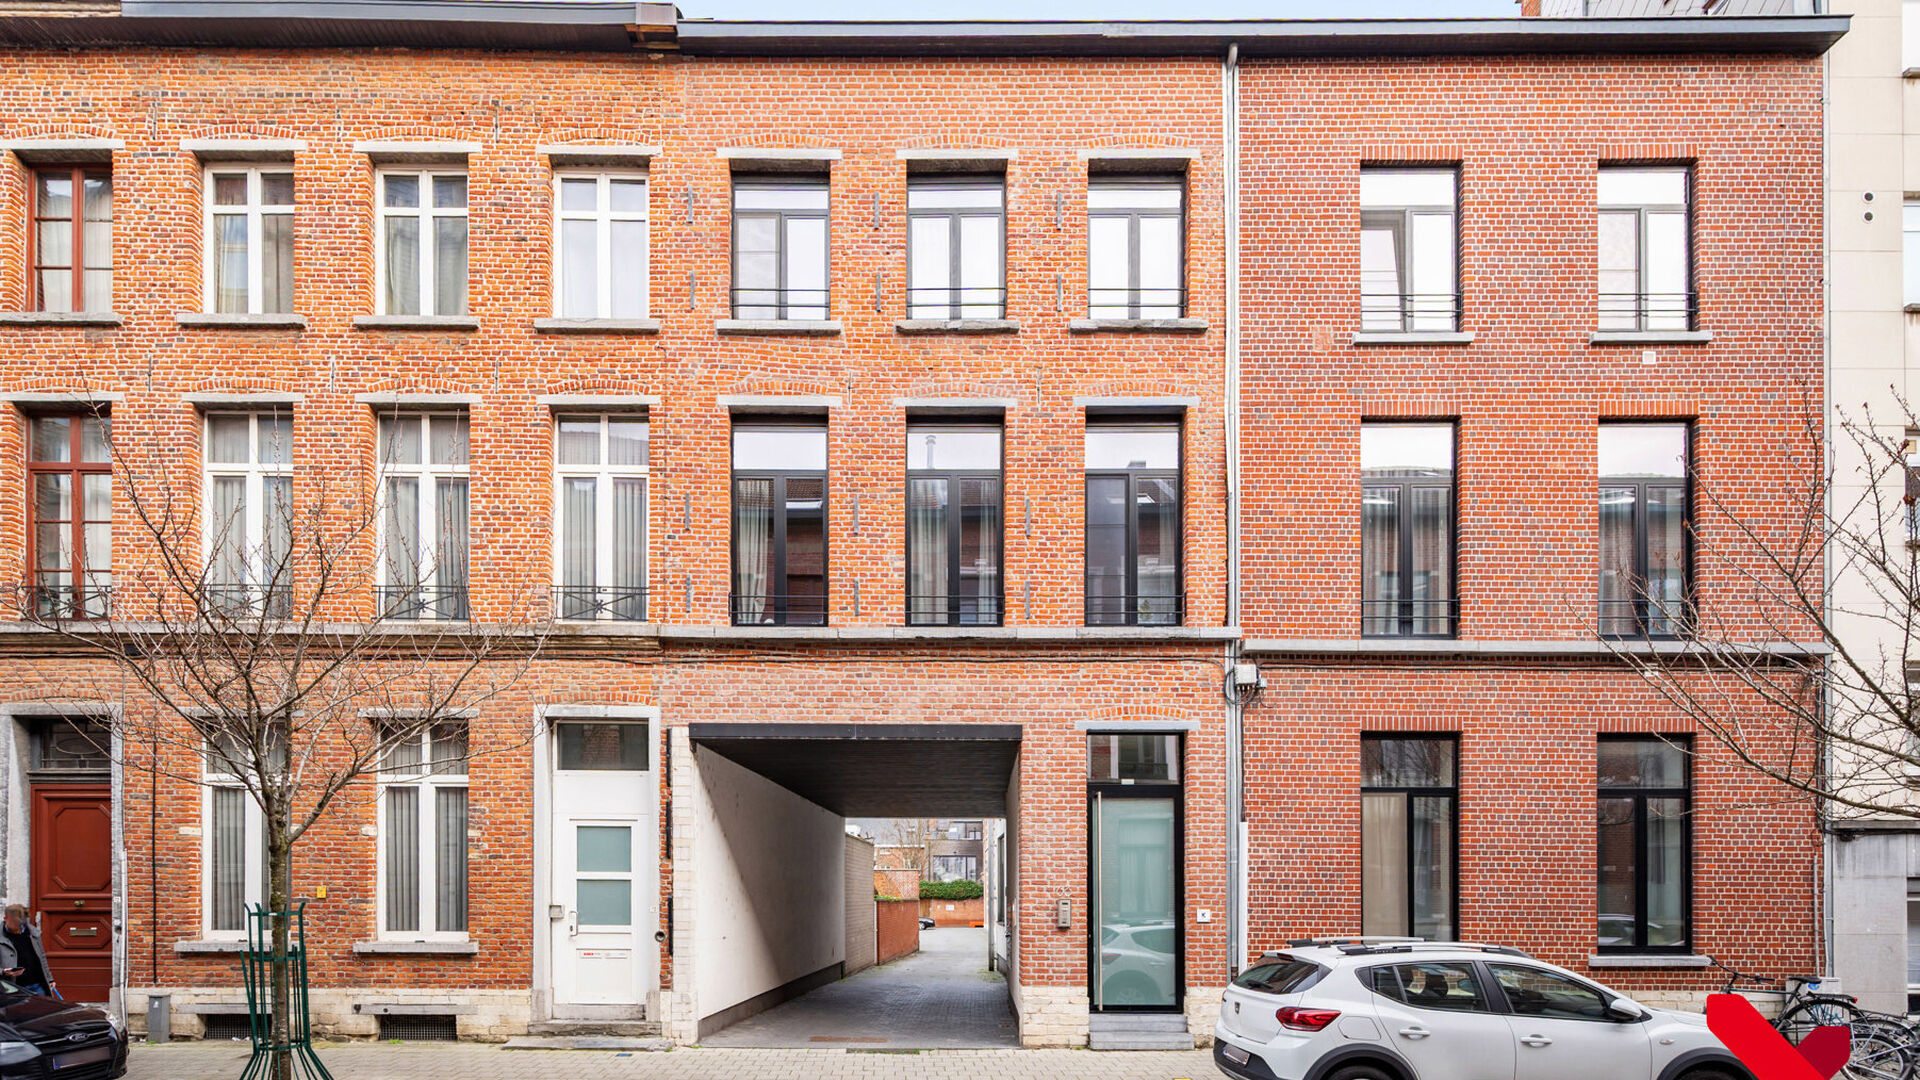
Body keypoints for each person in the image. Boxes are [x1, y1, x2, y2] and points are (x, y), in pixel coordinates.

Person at [0, 905, 55, 998]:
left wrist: (50, 979)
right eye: (15, 923)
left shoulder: (33, 933)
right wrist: (3, 972)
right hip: (10, 989)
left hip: (37, 985)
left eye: (21, 924)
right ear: (5, 918)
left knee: (42, 1011)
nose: (19, 928)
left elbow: (41, 956)